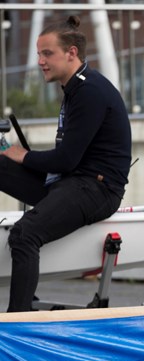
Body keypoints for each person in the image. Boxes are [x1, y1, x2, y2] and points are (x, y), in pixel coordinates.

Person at [0, 16, 131, 312]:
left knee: (24, 234)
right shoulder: (75, 87)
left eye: (47, 53)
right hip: (73, 179)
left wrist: (24, 156)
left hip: (97, 189)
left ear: (71, 53)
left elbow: (66, 159)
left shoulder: (90, 91)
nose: (40, 61)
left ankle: (18, 322)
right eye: (39, 54)